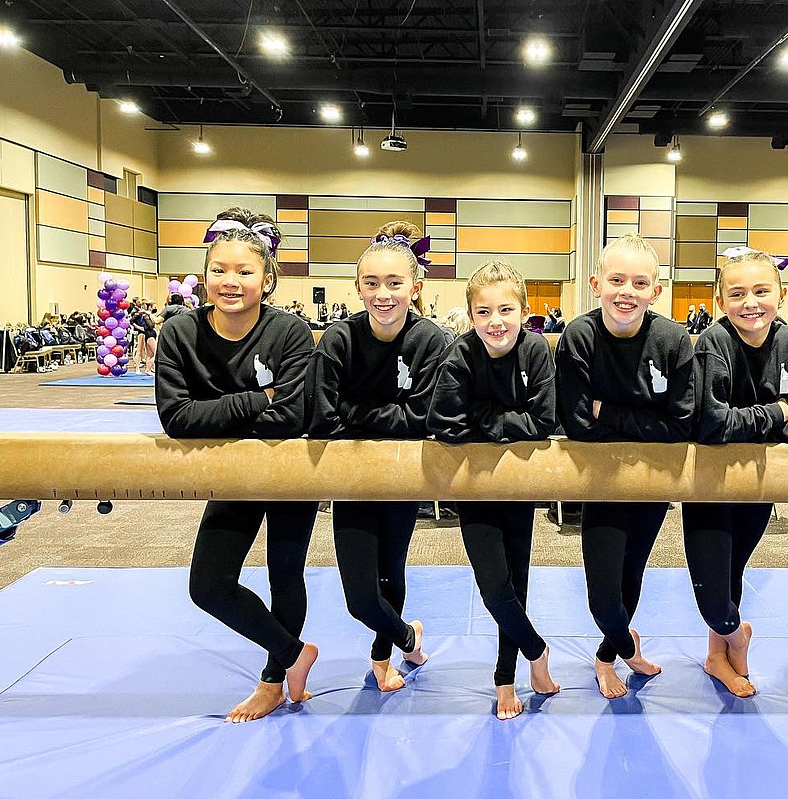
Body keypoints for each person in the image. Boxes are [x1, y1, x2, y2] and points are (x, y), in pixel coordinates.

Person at [155, 207, 319, 723]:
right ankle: (295, 653)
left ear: (267, 279)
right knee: (208, 585)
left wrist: (221, 417)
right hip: (234, 472)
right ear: (203, 276)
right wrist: (257, 398)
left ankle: (274, 679)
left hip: (288, 469)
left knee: (284, 573)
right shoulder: (180, 334)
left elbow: (292, 416)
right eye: (219, 270)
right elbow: (177, 418)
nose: (231, 281)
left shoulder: (290, 333)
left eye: (245, 271)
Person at [555, 233, 695, 699]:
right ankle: (623, 644)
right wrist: (640, 421)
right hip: (602, 480)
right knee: (602, 595)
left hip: (651, 482)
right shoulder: (580, 335)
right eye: (616, 280)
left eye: (639, 282)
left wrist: (605, 413)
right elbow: (575, 423)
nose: (626, 292)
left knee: (632, 575)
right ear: (596, 283)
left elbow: (680, 424)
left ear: (656, 291)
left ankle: (606, 658)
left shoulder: (673, 339)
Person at [308, 220, 446, 693]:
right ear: (358, 287)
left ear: (415, 285)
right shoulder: (339, 341)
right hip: (352, 478)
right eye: (372, 283)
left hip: (403, 478)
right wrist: (390, 416)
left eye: (394, 283)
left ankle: (382, 658)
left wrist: (356, 414)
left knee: (393, 571)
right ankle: (408, 635)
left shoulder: (430, 341)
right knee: (360, 597)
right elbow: (322, 419)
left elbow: (426, 417)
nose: (383, 294)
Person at [427, 261, 561, 719]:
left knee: (516, 584)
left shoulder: (537, 350)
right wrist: (507, 422)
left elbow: (544, 421)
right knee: (493, 587)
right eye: (483, 312)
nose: (495, 322)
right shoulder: (460, 354)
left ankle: (506, 680)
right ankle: (536, 651)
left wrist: (482, 418)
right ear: (470, 314)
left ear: (524, 310)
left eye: (506, 309)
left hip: (519, 487)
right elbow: (443, 423)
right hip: (475, 487)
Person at [687, 247, 788, 697]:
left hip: (760, 482)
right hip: (711, 483)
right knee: (714, 599)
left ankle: (715, 657)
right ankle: (731, 633)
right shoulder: (712, 342)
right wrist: (780, 410)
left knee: (733, 572)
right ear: (721, 299)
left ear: (781, 294)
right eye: (738, 293)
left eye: (762, 291)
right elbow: (711, 423)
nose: (751, 302)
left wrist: (757, 420)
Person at [130, 300, 158, 374]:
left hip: (148, 333)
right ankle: (138, 368)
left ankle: (148, 368)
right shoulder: (143, 315)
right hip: (144, 333)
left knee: (149, 353)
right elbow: (151, 326)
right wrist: (139, 327)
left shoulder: (148, 314)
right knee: (140, 350)